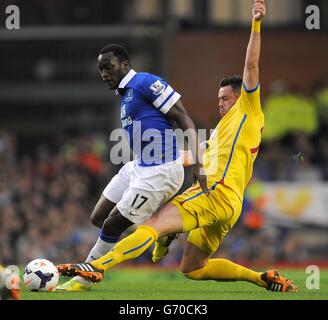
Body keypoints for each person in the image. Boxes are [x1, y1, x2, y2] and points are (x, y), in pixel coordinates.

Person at [57, 0, 298, 292]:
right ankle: (259, 277)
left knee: (154, 225)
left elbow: (251, 65)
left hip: (214, 191)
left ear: (240, 95)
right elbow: (190, 155)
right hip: (230, 205)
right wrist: (177, 162)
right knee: (193, 269)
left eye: (225, 98)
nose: (220, 103)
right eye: (219, 98)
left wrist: (256, 23)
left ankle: (96, 268)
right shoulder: (225, 132)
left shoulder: (249, 108)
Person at [56, 44, 207, 291]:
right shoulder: (125, 95)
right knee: (99, 218)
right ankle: (162, 228)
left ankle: (84, 279)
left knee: (112, 224)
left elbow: (183, 117)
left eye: (108, 67)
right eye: (100, 69)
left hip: (161, 171)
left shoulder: (145, 82)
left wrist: (199, 165)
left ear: (124, 65)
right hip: (138, 166)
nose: (104, 73)